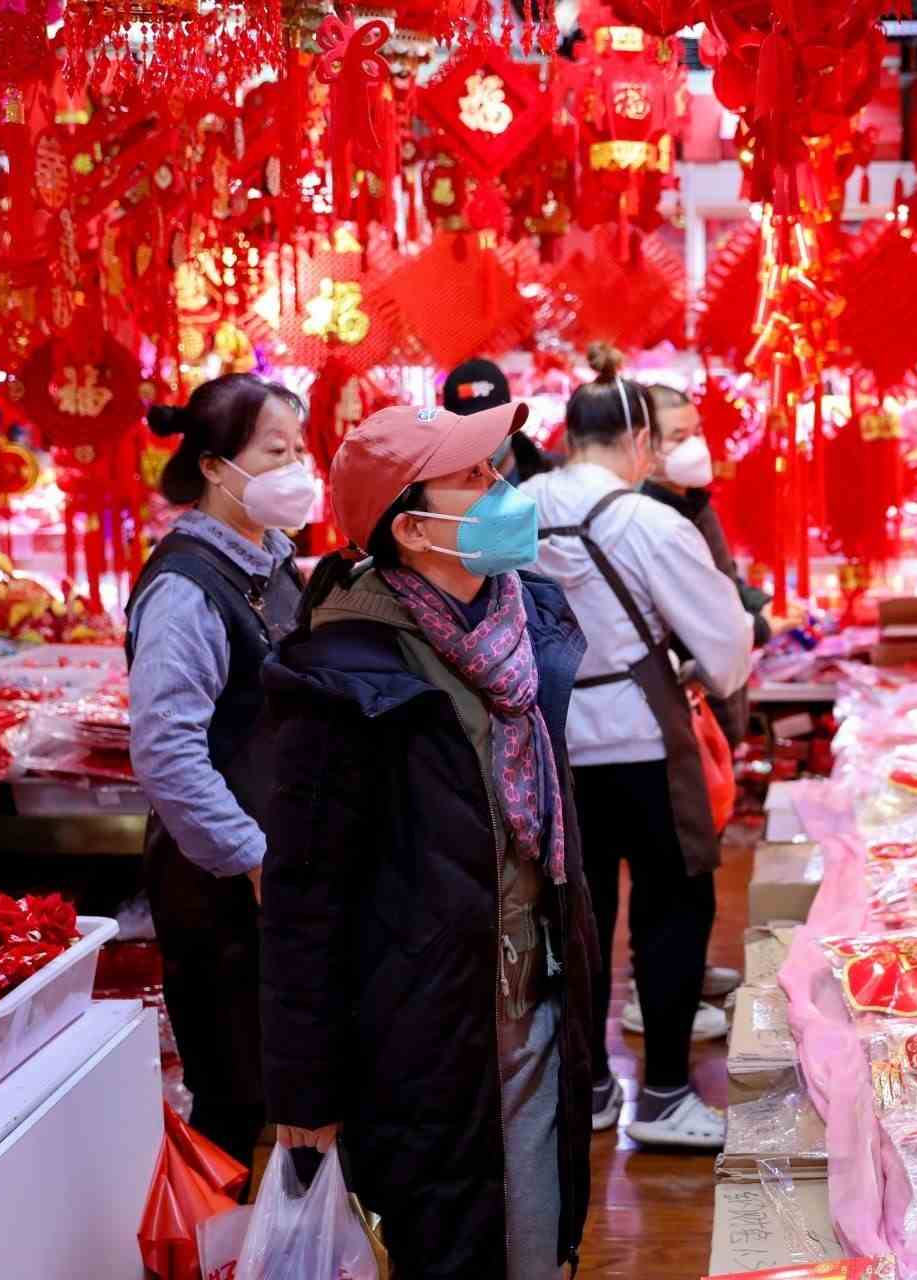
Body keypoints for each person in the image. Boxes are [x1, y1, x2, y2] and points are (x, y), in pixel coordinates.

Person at [257, 402, 599, 1280]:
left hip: (540, 990)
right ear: (411, 528)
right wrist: (304, 1086)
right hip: (422, 1024)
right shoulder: (339, 677)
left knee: (541, 1237)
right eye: (473, 477)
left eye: (495, 467)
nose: (502, 487)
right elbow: (303, 897)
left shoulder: (527, 621)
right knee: (455, 1245)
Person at [525, 344, 754, 1149]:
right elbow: (725, 645)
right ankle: (662, 1094)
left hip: (550, 746)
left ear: (567, 435)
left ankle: (586, 1085)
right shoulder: (649, 521)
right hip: (644, 742)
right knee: (672, 912)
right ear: (639, 442)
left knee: (572, 919)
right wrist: (702, 670)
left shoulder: (514, 510)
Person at [125, 373, 312, 1167]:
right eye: (275, 452)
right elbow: (166, 749)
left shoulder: (272, 559)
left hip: (280, 863)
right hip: (222, 882)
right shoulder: (185, 588)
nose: (295, 469)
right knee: (232, 1094)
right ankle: (213, 1231)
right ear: (213, 465)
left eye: (299, 450)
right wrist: (251, 857)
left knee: (294, 1079)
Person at [641, 383, 772, 744]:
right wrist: (760, 627)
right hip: (687, 706)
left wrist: (760, 603)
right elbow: (689, 611)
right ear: (645, 445)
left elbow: (722, 578)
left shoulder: (698, 505)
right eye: (678, 437)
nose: (695, 446)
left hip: (723, 701)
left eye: (697, 432)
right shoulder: (651, 520)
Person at [444, 356, 557, 483]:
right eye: (469, 429)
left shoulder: (550, 483)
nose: (482, 438)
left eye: (492, 423)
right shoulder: (438, 489)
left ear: (512, 419)